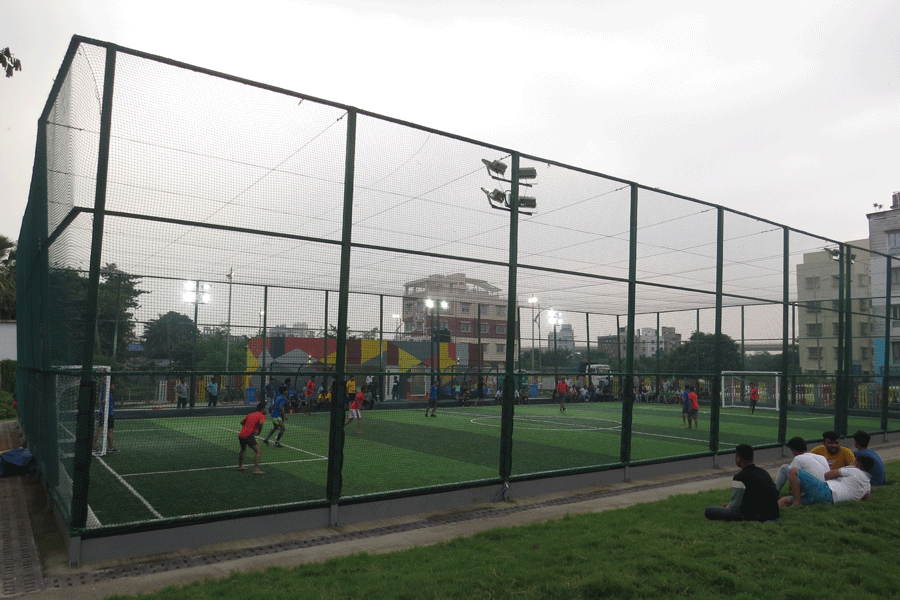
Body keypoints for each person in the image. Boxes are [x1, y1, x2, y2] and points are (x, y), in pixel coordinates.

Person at [704, 444, 779, 522]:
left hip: (758, 516)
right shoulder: (763, 472)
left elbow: (734, 508)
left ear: (738, 457)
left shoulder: (739, 477)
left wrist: (728, 506)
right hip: (774, 515)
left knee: (708, 511)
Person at [780, 454, 874, 507]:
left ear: (856, 463)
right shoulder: (867, 483)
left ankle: (796, 503)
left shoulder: (854, 470)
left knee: (794, 471)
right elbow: (866, 497)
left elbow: (827, 475)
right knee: (785, 500)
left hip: (826, 492)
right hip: (830, 502)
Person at [238, 401, 266, 474]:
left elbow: (242, 422)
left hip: (241, 434)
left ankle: (240, 466)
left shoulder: (251, 414)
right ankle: (256, 469)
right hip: (248, 435)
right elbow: (260, 423)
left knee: (243, 449)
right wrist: (259, 431)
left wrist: (246, 428)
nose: (266, 410)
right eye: (265, 408)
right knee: (258, 451)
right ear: (263, 409)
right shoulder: (262, 415)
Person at [93, 382, 118, 454]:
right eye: (113, 385)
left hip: (108, 413)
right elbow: (103, 401)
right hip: (106, 413)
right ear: (109, 386)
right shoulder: (105, 393)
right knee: (100, 429)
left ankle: (111, 447)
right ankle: (93, 445)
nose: (114, 386)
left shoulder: (108, 393)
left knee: (110, 430)